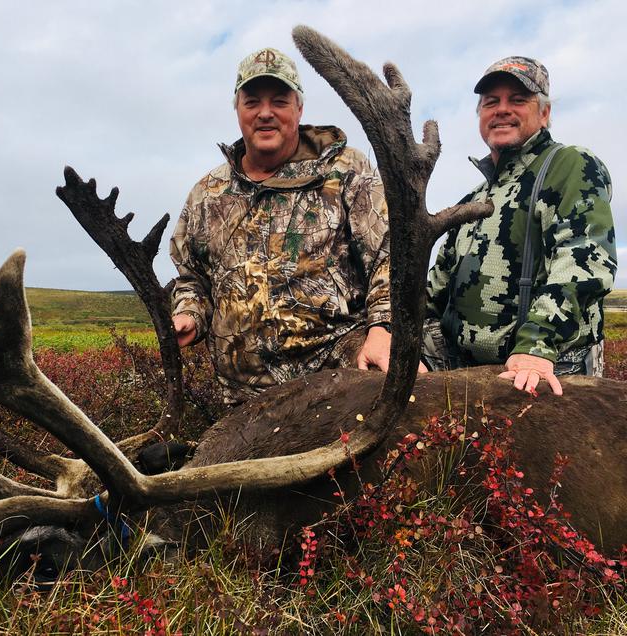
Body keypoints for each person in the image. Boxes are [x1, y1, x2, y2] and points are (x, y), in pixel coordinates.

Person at [169, 47, 394, 404]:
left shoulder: (347, 172)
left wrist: (383, 327)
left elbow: (389, 256)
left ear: (299, 108)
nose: (265, 113)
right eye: (252, 102)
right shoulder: (207, 193)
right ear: (237, 110)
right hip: (243, 400)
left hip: (339, 383)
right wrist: (189, 314)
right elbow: (192, 277)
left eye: (279, 101)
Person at [424, 56, 617, 396]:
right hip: (463, 367)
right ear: (480, 116)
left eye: (517, 100)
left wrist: (536, 345)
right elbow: (438, 284)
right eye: (491, 102)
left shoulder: (569, 166)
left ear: (544, 113)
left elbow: (585, 261)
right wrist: (397, 333)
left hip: (544, 362)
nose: (501, 110)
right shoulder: (474, 196)